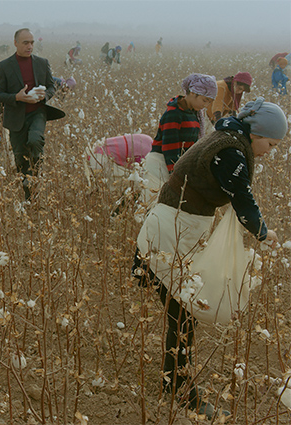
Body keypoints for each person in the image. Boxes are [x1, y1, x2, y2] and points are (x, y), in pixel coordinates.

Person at [134, 98, 287, 419]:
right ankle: (181, 391)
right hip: (171, 231)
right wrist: (262, 232)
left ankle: (173, 384)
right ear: (256, 132)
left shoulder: (228, 139)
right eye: (270, 143)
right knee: (184, 314)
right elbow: (242, 197)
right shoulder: (230, 151)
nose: (270, 151)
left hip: (175, 228)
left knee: (182, 311)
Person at [0, 28, 65, 201]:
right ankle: (29, 196)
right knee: (20, 160)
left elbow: (51, 86)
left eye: (32, 42)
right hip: (16, 118)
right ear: (16, 43)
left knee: (35, 140)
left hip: (37, 113)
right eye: (26, 42)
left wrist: (45, 95)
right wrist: (16, 97)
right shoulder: (5, 66)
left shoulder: (42, 63)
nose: (30, 46)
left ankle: (37, 173)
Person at [141, 74, 217, 205]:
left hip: (177, 164)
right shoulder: (174, 113)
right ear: (193, 93)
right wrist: (176, 175)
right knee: (148, 203)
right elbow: (169, 146)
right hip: (160, 164)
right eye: (205, 100)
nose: (206, 105)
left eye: (209, 102)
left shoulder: (194, 113)